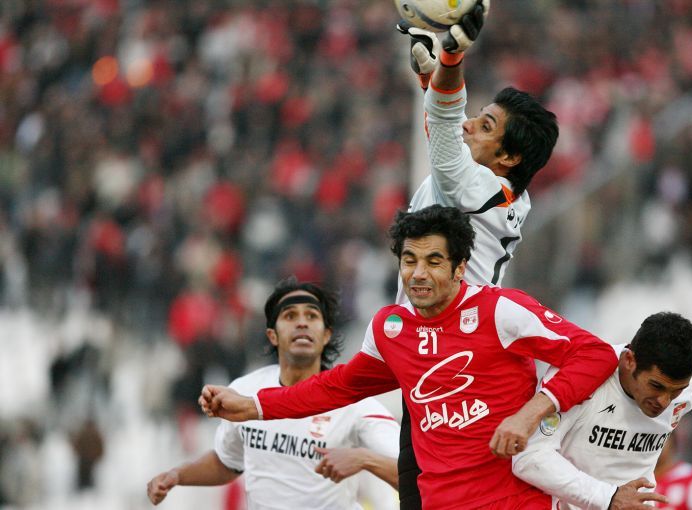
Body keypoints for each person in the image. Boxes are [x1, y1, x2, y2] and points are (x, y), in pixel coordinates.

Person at [199, 205, 618, 510]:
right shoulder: (390, 329)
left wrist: (530, 414)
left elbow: (594, 354)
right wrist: (254, 406)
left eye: (434, 261)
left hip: (512, 501)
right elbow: (337, 386)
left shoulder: (500, 310)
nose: (418, 274)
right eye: (409, 260)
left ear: (459, 267)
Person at [397, 1, 559, 505]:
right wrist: (431, 78)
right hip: (441, 357)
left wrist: (450, 61)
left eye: (485, 126)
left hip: (455, 368)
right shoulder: (487, 187)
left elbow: (445, 134)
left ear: (508, 157)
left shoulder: (479, 189)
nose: (470, 125)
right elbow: (443, 133)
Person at [147, 278, 400, 509]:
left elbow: (413, 473)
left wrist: (365, 459)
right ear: (272, 335)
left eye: (312, 315)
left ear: (326, 335)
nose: (302, 322)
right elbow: (227, 463)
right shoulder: (244, 392)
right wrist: (177, 475)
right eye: (290, 315)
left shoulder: (354, 402)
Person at [511, 312, 692, 509]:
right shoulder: (580, 378)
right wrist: (609, 497)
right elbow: (528, 456)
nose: (664, 402)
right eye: (656, 386)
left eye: (676, 391)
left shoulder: (685, 392)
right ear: (629, 360)